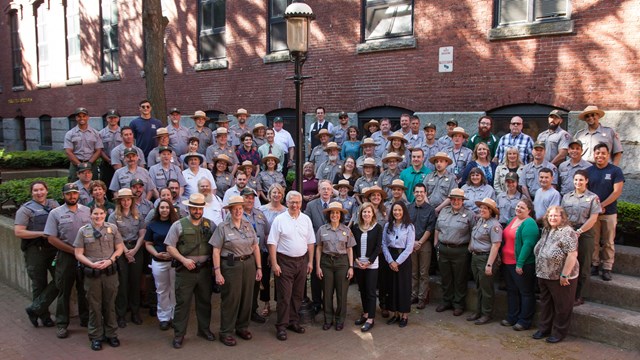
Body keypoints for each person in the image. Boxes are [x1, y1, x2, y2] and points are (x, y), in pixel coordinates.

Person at [165, 193, 217, 349]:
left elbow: (217, 246)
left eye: (200, 208)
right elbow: (169, 246)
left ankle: (204, 329)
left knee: (204, 302)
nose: (197, 211)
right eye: (194, 208)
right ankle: (179, 334)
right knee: (183, 303)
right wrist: (183, 260)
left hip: (205, 271)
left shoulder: (210, 224)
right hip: (185, 270)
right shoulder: (178, 225)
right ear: (189, 208)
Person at [210, 195, 261, 346]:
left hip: (249, 264)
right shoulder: (223, 227)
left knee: (247, 297)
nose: (238, 211)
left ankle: (242, 327)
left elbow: (255, 246)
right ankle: (226, 331)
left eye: (240, 208)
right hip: (231, 266)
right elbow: (215, 251)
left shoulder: (248, 224)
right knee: (231, 299)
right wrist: (217, 272)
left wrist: (259, 267)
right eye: (235, 209)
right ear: (230, 211)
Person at [43, 183, 91, 339]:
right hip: (66, 255)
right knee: (64, 290)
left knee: (85, 289)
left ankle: (86, 319)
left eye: (75, 193)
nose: (72, 196)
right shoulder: (55, 213)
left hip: (85, 255)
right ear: (63, 195)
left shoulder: (87, 211)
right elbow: (51, 238)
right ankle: (62, 324)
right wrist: (73, 251)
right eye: (69, 194)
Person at [74, 205, 124, 351]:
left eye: (101, 213)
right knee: (94, 306)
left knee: (110, 305)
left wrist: (111, 260)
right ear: (90, 215)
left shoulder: (112, 228)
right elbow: (78, 253)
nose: (99, 216)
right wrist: (92, 264)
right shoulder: (83, 231)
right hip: (92, 274)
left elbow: (119, 247)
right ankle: (96, 337)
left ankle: (111, 334)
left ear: (105, 214)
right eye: (95, 214)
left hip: (110, 272)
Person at [267, 191, 315, 341]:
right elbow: (272, 243)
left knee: (297, 295)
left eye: (297, 202)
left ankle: (293, 321)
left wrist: (310, 261)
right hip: (284, 262)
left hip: (301, 261)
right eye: (292, 202)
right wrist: (274, 263)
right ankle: (281, 326)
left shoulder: (306, 219)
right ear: (287, 202)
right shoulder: (279, 219)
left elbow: (311, 242)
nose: (295, 205)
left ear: (301, 203)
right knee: (285, 296)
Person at [15, 181, 60, 328]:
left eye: (41, 189)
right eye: (35, 190)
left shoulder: (54, 205)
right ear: (32, 193)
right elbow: (19, 231)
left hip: (53, 249)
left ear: (47, 190)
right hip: (35, 251)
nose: (39, 193)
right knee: (39, 284)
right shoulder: (25, 210)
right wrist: (42, 233)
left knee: (61, 279)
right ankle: (44, 317)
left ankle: (34, 309)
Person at [533, 206, 579, 344]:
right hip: (543, 274)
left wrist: (565, 274)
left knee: (562, 306)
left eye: (555, 216)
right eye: (550, 216)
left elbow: (572, 255)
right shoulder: (547, 229)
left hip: (560, 277)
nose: (552, 218)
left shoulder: (568, 232)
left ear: (562, 217)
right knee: (546, 303)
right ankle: (544, 328)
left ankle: (559, 332)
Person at [108, 188, 146, 328]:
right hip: (120, 251)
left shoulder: (138, 215)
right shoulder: (113, 216)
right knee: (122, 283)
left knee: (135, 282)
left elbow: (142, 233)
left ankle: (135, 312)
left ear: (132, 200)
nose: (126, 202)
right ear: (119, 201)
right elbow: (115, 236)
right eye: (123, 199)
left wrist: (135, 250)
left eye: (128, 199)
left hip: (136, 249)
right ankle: (121, 314)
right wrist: (126, 252)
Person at [561, 170, 601, 306]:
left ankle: (580, 295)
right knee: (568, 263)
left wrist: (579, 231)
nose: (578, 183)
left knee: (583, 264)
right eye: (576, 180)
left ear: (587, 181)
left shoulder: (593, 197)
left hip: (585, 233)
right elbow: (563, 216)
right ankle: (568, 292)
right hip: (569, 231)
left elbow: (593, 218)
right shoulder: (567, 197)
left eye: (581, 180)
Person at [435, 188, 475, 317]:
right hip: (444, 248)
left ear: (463, 201)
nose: (456, 201)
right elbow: (437, 227)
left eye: (459, 199)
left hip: (460, 250)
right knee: (445, 277)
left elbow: (474, 232)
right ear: (450, 200)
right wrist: (436, 242)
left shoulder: (469, 214)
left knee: (459, 278)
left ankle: (458, 304)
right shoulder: (444, 211)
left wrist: (469, 247)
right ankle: (447, 301)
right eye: (453, 199)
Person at [315, 202, 355, 331]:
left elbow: (349, 249)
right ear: (328, 215)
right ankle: (328, 319)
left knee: (341, 293)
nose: (335, 215)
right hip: (326, 263)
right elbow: (319, 248)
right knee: (327, 293)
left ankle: (340, 319)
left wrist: (351, 267)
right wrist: (318, 266)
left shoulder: (346, 230)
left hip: (342, 263)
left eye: (337, 213)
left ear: (341, 215)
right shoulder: (322, 229)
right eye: (332, 212)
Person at [500, 198, 539, 331]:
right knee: (512, 291)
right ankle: (512, 317)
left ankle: (524, 320)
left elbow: (528, 245)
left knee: (526, 292)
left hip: (521, 264)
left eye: (522, 207)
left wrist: (520, 263)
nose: (518, 209)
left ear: (529, 210)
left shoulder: (530, 223)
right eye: (517, 206)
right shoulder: (513, 219)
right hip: (508, 262)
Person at [588, 143, 624, 281]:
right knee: (594, 241)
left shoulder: (615, 171)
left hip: (609, 212)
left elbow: (617, 192)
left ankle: (607, 267)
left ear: (608, 155)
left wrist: (602, 205)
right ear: (594, 154)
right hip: (594, 214)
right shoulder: (589, 171)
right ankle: (595, 264)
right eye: (597, 153)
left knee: (608, 241)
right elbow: (586, 191)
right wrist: (594, 207)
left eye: (603, 153)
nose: (600, 156)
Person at [144, 199, 179, 331]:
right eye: (162, 207)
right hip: (159, 261)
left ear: (171, 209)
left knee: (175, 289)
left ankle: (175, 316)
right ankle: (164, 317)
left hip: (174, 261)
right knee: (162, 290)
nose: (164, 210)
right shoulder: (152, 225)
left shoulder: (176, 224)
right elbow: (148, 243)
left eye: (167, 207)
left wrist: (174, 254)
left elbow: (181, 242)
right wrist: (157, 254)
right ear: (158, 209)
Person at [467, 198, 502, 325]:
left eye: (485, 208)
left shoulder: (494, 225)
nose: (482, 210)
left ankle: (486, 313)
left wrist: (489, 264)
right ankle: (478, 311)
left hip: (486, 258)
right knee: (479, 286)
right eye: (481, 208)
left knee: (486, 288)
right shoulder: (480, 221)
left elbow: (496, 245)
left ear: (491, 211)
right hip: (476, 257)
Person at [238, 188, 270, 324]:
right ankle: (241, 313)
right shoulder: (236, 214)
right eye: (247, 197)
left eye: (252, 198)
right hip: (244, 255)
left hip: (260, 253)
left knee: (257, 284)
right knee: (243, 286)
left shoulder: (260, 214)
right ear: (241, 199)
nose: (250, 200)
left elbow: (267, 234)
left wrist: (268, 252)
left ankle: (252, 310)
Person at [382, 202, 415, 327]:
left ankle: (404, 315)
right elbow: (384, 244)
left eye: (399, 210)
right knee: (392, 287)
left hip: (403, 259)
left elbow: (409, 247)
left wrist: (397, 262)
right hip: (390, 258)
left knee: (403, 287)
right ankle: (395, 314)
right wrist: (390, 261)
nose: (397, 212)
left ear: (404, 211)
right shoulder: (387, 226)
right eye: (395, 210)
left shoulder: (409, 227)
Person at [350, 203, 382, 332]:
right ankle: (365, 313)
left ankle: (371, 318)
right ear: (360, 214)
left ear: (373, 214)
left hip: (371, 264)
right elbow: (353, 246)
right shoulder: (356, 228)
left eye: (369, 212)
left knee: (370, 291)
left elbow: (378, 247)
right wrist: (357, 260)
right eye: (364, 212)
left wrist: (369, 262)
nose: (366, 214)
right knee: (362, 290)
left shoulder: (377, 228)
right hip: (359, 264)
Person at [257, 183, 288, 318]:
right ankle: (266, 303)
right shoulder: (261, 210)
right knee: (264, 276)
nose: (276, 195)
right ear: (269, 194)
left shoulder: (286, 211)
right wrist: (268, 251)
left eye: (279, 193)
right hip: (264, 248)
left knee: (279, 276)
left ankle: (278, 302)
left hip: (281, 249)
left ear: (282, 195)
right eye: (274, 192)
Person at [304, 180, 334, 314]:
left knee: (329, 277)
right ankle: (317, 303)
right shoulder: (311, 205)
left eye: (328, 189)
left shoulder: (336, 204)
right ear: (319, 190)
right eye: (323, 189)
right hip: (316, 245)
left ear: (332, 191)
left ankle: (328, 303)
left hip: (332, 247)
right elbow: (307, 226)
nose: (326, 191)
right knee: (316, 276)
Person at [407, 183, 436, 309]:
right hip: (411, 244)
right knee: (413, 271)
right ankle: (413, 295)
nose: (419, 194)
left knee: (424, 272)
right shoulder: (409, 208)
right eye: (417, 192)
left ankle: (422, 297)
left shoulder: (430, 210)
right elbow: (407, 226)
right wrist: (412, 242)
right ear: (413, 193)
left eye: (421, 192)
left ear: (425, 193)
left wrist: (420, 242)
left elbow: (430, 228)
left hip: (425, 244)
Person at [64, 107, 103, 182]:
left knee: (93, 185)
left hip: (91, 164)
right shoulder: (70, 134)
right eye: (79, 116)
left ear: (88, 117)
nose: (82, 118)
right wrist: (79, 164)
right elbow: (68, 151)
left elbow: (98, 150)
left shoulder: (95, 133)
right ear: (76, 118)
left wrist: (89, 163)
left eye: (84, 116)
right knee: (73, 186)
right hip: (76, 165)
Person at [98, 109, 122, 190]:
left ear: (118, 119)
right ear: (107, 119)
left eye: (115, 117)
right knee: (106, 186)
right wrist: (108, 160)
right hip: (107, 164)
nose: (113, 120)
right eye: (110, 118)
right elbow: (100, 150)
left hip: (121, 164)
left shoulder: (123, 132)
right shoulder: (101, 133)